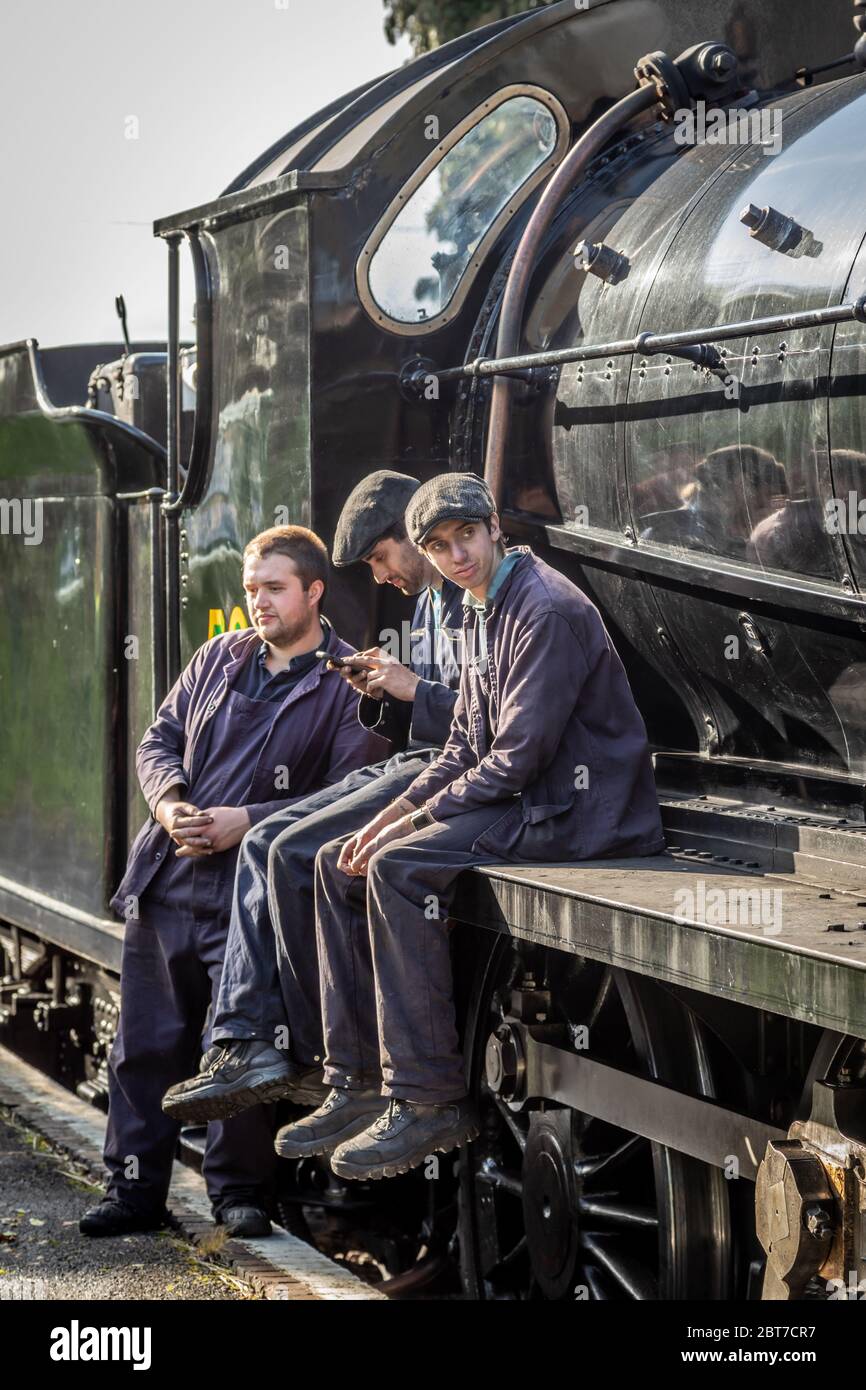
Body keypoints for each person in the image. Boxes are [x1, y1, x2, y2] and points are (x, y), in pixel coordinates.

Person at [276, 473, 667, 1180]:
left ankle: (428, 1100)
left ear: (493, 528)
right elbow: (461, 746)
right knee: (341, 858)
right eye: (439, 546)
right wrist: (388, 818)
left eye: (466, 538)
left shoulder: (540, 608)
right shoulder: (481, 609)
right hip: (530, 797)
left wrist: (411, 826)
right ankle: (359, 1080)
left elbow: (515, 759)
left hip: (577, 813)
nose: (456, 556)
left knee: (397, 870)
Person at [79, 525, 382, 1240]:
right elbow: (158, 740)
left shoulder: (347, 683)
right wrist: (172, 804)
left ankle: (242, 1194)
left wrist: (245, 819)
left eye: (274, 589)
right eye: (251, 589)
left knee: (243, 1052)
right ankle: (133, 1190)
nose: (258, 603)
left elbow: (349, 794)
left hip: (254, 897)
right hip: (171, 879)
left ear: (314, 591)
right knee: (144, 1046)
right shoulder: (218, 656)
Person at [160, 471, 465, 1161]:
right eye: (252, 590)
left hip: (455, 771)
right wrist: (387, 693)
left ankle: (318, 1062)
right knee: (271, 841)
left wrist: (410, 689)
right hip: (422, 759)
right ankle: (251, 1044)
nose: (382, 578)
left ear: (412, 539)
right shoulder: (431, 604)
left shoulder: (474, 601)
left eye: (384, 559)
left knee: (306, 852)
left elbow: (490, 723)